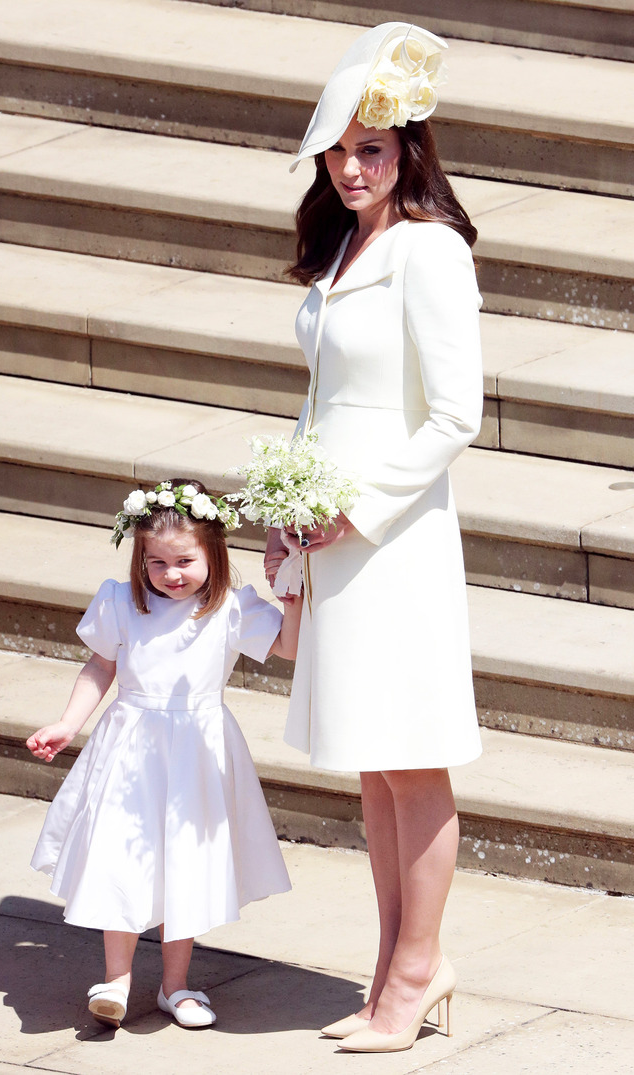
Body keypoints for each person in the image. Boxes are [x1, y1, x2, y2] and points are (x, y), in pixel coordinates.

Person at [264, 22, 483, 1054]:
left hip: (393, 540)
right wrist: (291, 519)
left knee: (414, 757)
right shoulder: (348, 246)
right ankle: (397, 960)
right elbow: (326, 401)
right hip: (334, 538)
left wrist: (354, 507)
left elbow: (452, 417)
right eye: (340, 150)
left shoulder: (427, 252)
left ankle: (415, 971)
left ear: (409, 153)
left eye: (374, 150)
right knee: (372, 765)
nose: (352, 168)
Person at [28, 479, 301, 1029]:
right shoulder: (121, 603)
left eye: (184, 560)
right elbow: (102, 666)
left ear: (213, 553)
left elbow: (288, 647)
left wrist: (292, 593)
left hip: (198, 751)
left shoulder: (228, 607)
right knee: (122, 856)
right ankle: (117, 980)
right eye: (157, 562)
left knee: (185, 861)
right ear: (140, 558)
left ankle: (176, 987)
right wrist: (67, 722)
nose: (171, 574)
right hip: (131, 744)